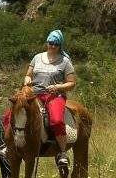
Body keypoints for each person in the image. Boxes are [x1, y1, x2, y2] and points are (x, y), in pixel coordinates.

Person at [23, 29, 76, 167]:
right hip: (34, 93)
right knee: (12, 113)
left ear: (60, 45)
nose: (52, 46)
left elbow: (72, 83)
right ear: (47, 42)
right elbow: (28, 74)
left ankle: (62, 152)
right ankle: (9, 145)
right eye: (50, 42)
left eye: (56, 43)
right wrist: (27, 80)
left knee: (57, 120)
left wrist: (58, 87)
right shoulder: (37, 57)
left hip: (54, 95)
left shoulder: (65, 61)